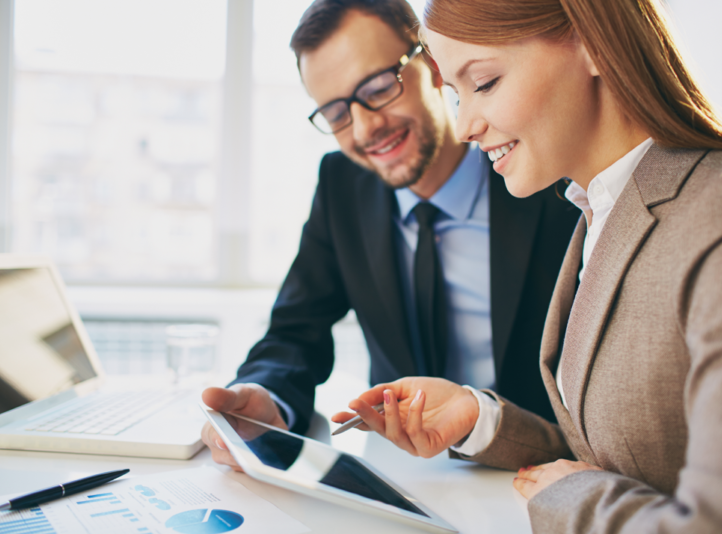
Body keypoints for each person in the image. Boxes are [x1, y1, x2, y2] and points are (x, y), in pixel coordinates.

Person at [332, 0, 722, 532]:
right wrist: (479, 419)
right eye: (455, 95)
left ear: (592, 45)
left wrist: (574, 499)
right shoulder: (597, 214)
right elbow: (622, 451)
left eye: (484, 83)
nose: (463, 127)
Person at [200, 0, 579, 471]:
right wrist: (267, 397)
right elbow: (297, 330)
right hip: (406, 476)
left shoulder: (541, 168)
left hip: (543, 468)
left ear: (434, 65)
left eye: (379, 88)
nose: (365, 128)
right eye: (336, 113)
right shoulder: (343, 184)